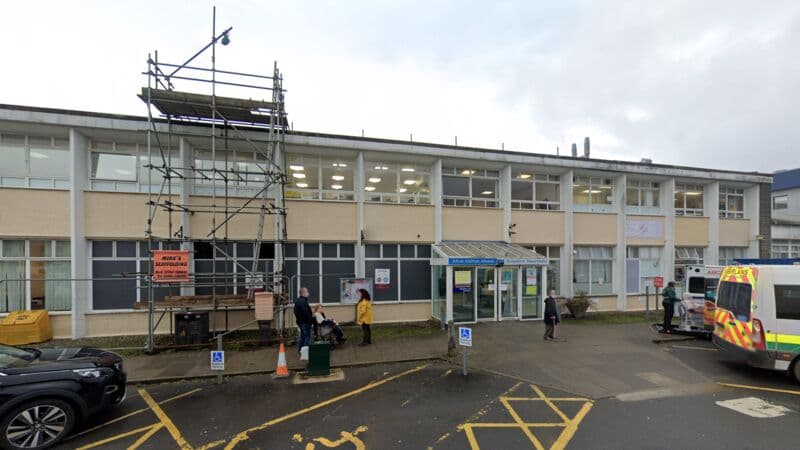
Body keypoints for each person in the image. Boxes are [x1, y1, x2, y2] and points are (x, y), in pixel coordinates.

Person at [294, 287, 314, 354]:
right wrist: (310, 319)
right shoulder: (302, 301)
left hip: (301, 322)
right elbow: (305, 312)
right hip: (305, 322)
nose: (308, 293)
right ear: (303, 293)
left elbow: (296, 312)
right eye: (307, 292)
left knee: (302, 337)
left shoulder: (298, 301)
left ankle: (300, 351)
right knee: (307, 337)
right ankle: (305, 353)